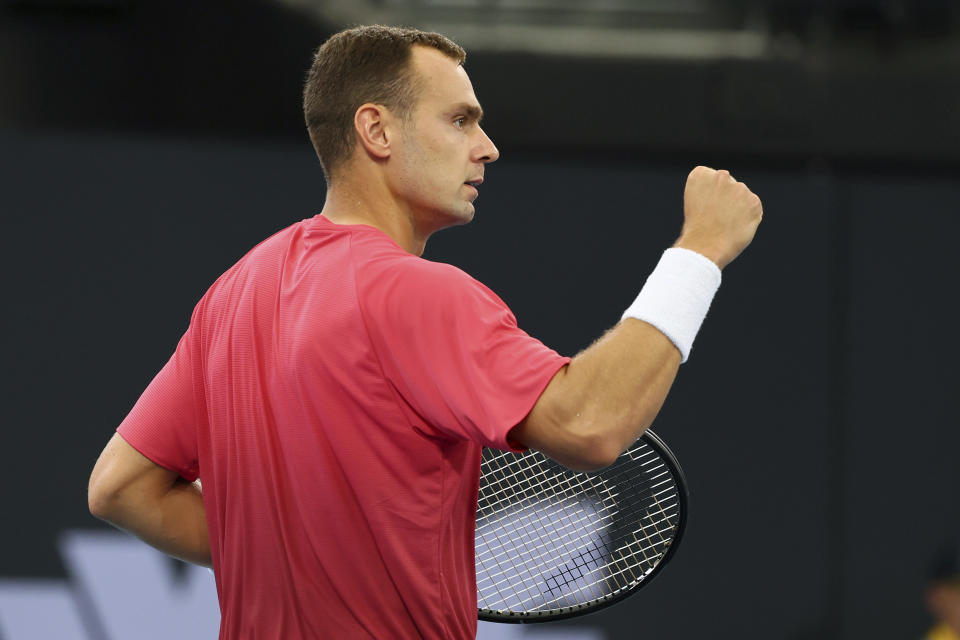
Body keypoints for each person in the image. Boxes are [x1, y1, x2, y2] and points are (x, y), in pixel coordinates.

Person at [87, 25, 762, 640]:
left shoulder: (234, 294)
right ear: (376, 131)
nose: (486, 147)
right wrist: (698, 252)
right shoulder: (414, 293)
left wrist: (302, 557)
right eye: (460, 119)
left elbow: (120, 487)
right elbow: (589, 424)